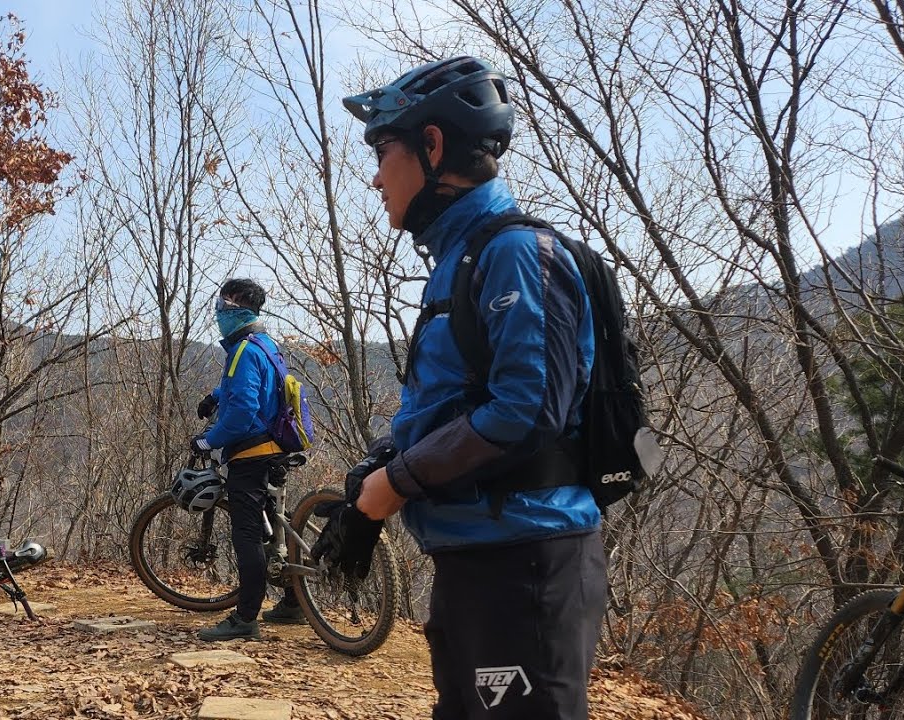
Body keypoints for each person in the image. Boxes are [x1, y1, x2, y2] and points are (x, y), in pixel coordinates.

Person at [314, 56, 608, 718]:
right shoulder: (464, 258)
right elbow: (457, 405)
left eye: (382, 148)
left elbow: (525, 413)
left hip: (525, 561)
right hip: (480, 557)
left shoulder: (513, 254)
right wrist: (379, 479)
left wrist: (398, 483)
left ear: (433, 144)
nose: (374, 174)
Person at [191, 278, 304, 641]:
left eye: (226, 305)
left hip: (251, 454)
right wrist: (213, 395)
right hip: (276, 447)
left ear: (241, 308)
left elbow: (242, 413)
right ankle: (294, 603)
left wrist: (209, 441)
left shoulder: (242, 350)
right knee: (275, 531)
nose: (219, 311)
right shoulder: (264, 344)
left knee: (248, 536)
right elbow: (242, 384)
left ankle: (244, 619)